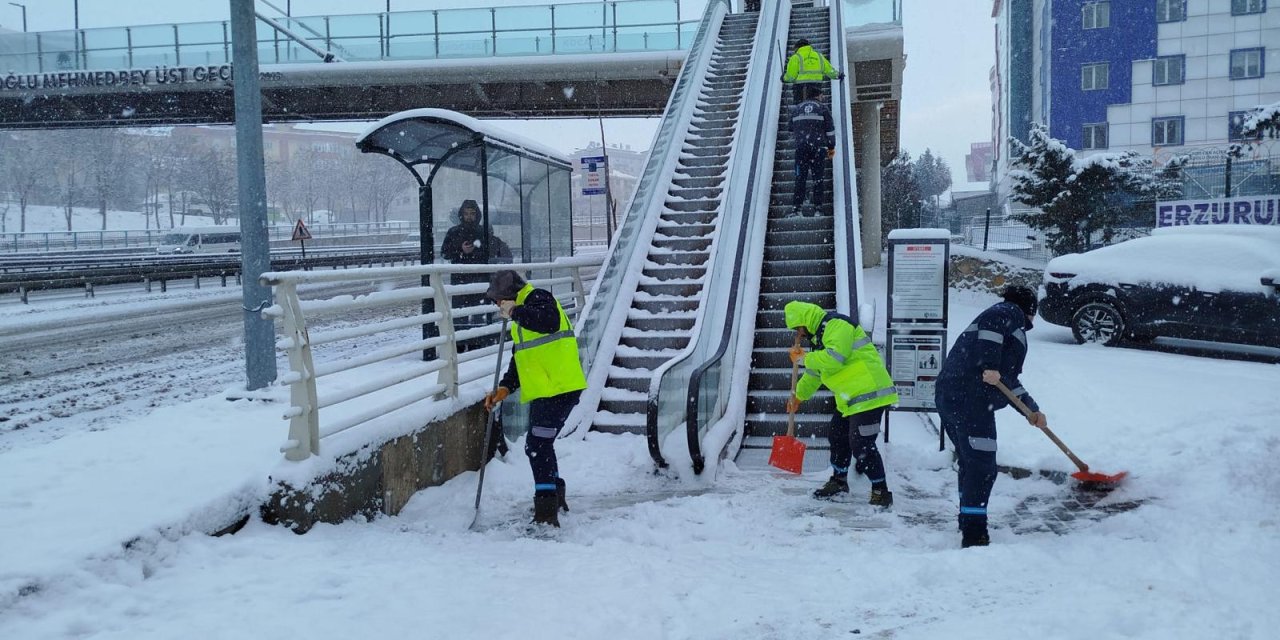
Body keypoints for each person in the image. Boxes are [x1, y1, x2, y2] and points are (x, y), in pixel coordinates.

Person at [934, 285, 1047, 549]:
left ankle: (968, 519)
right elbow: (991, 339)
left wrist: (1031, 410)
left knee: (971, 463)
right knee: (982, 467)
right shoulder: (1007, 312)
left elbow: (1007, 380)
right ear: (1030, 309)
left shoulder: (1007, 322)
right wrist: (989, 365)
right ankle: (974, 533)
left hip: (954, 396)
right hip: (970, 400)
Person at [483, 270, 587, 528]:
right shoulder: (523, 317)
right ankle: (554, 495)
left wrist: (515, 311)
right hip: (546, 390)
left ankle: (546, 510)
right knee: (541, 444)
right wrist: (505, 387)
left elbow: (548, 321)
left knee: (537, 446)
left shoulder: (538, 299)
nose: (498, 305)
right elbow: (521, 357)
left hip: (560, 389)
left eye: (499, 299)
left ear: (511, 294)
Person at [783, 301, 898, 507]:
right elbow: (814, 373)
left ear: (805, 321)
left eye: (798, 328)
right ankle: (839, 481)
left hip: (870, 392)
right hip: (849, 398)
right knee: (837, 436)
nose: (799, 333)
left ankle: (880, 490)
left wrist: (805, 357)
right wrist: (799, 396)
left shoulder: (837, 325)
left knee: (861, 444)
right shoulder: (819, 340)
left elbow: (834, 358)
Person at [440, 199, 512, 350]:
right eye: (466, 213)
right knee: (460, 314)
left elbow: (495, 249)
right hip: (461, 280)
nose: (469, 217)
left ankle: (477, 344)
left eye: (472, 213)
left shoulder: (483, 231)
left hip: (479, 279)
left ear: (477, 215)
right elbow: (444, 253)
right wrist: (460, 249)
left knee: (479, 313)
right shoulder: (454, 232)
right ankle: (460, 345)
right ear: (461, 214)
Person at [788, 83, 836, 217]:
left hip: (801, 149)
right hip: (818, 149)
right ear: (818, 95)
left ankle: (796, 209)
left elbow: (790, 128)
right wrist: (831, 148)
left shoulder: (797, 108)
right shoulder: (823, 109)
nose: (823, 97)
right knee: (818, 179)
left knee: (800, 178)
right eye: (822, 95)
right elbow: (830, 130)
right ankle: (818, 209)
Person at [781, 38, 843, 103]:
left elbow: (791, 77)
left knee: (801, 109)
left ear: (797, 47)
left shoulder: (795, 57)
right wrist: (838, 75)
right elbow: (829, 71)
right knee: (816, 106)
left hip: (801, 88)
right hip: (816, 87)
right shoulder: (819, 56)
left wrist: (784, 78)